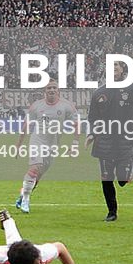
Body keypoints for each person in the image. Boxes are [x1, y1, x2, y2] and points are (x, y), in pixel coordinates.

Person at [86, 82, 133, 221]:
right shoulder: (99, 92)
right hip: (104, 142)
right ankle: (112, 212)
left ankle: (125, 174)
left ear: (122, 68)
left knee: (122, 179)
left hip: (126, 141)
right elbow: (92, 117)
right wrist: (91, 134)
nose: (113, 68)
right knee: (106, 177)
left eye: (116, 64)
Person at [14, 85, 78, 213]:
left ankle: (23, 193)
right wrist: (18, 145)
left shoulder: (66, 106)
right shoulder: (36, 106)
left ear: (58, 91)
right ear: (45, 91)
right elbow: (26, 124)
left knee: (37, 177)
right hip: (37, 141)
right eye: (49, 88)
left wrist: (75, 142)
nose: (52, 90)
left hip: (53, 145)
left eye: (54, 88)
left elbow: (76, 123)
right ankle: (26, 200)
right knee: (34, 168)